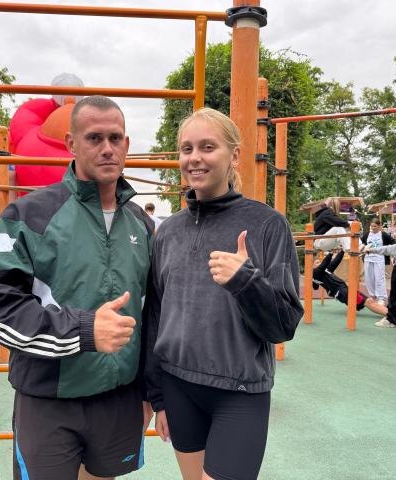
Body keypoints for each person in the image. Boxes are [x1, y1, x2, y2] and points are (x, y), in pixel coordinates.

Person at [0, 96, 153, 480]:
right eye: (94, 138)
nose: (107, 148)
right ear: (71, 143)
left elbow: (154, 311)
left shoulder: (142, 223)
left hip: (118, 396)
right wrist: (82, 330)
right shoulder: (29, 214)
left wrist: (152, 391)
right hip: (49, 397)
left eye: (115, 138)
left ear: (126, 144)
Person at [143, 108, 303, 480]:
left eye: (207, 147)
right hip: (178, 385)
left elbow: (283, 327)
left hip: (240, 392)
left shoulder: (268, 224)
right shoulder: (168, 232)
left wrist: (246, 281)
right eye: (186, 149)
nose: (194, 158)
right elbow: (156, 315)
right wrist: (158, 396)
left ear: (234, 155)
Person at [312, 251, 388, 316]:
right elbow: (324, 264)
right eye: (317, 262)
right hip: (342, 292)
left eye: (320, 262)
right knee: (368, 302)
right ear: (312, 266)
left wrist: (342, 251)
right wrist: (330, 253)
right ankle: (390, 315)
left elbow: (335, 262)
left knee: (370, 301)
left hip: (345, 290)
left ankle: (390, 313)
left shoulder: (325, 270)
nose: (320, 263)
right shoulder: (315, 273)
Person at [361, 217, 395, 305]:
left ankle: (381, 298)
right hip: (368, 259)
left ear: (379, 226)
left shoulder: (383, 235)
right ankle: (373, 295)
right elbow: (361, 244)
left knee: (379, 278)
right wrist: (363, 249)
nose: (373, 228)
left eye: (375, 226)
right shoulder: (367, 234)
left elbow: (393, 242)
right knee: (369, 279)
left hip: (379, 259)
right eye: (371, 226)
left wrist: (388, 251)